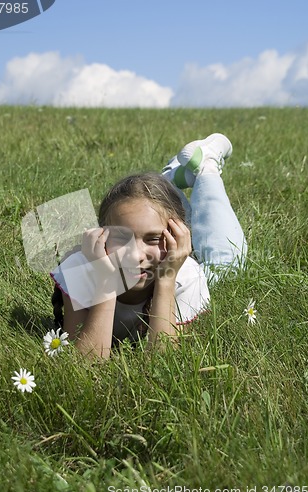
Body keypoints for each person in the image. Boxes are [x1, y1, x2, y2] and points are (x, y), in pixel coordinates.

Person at [50, 133, 247, 359]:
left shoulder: (188, 277)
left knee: (227, 263)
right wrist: (105, 281)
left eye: (153, 239)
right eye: (122, 239)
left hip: (174, 269)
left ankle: (206, 167)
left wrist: (167, 278)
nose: (136, 255)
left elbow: (162, 362)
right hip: (151, 264)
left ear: (178, 237)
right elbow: (83, 364)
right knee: (155, 210)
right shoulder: (81, 268)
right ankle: (170, 179)